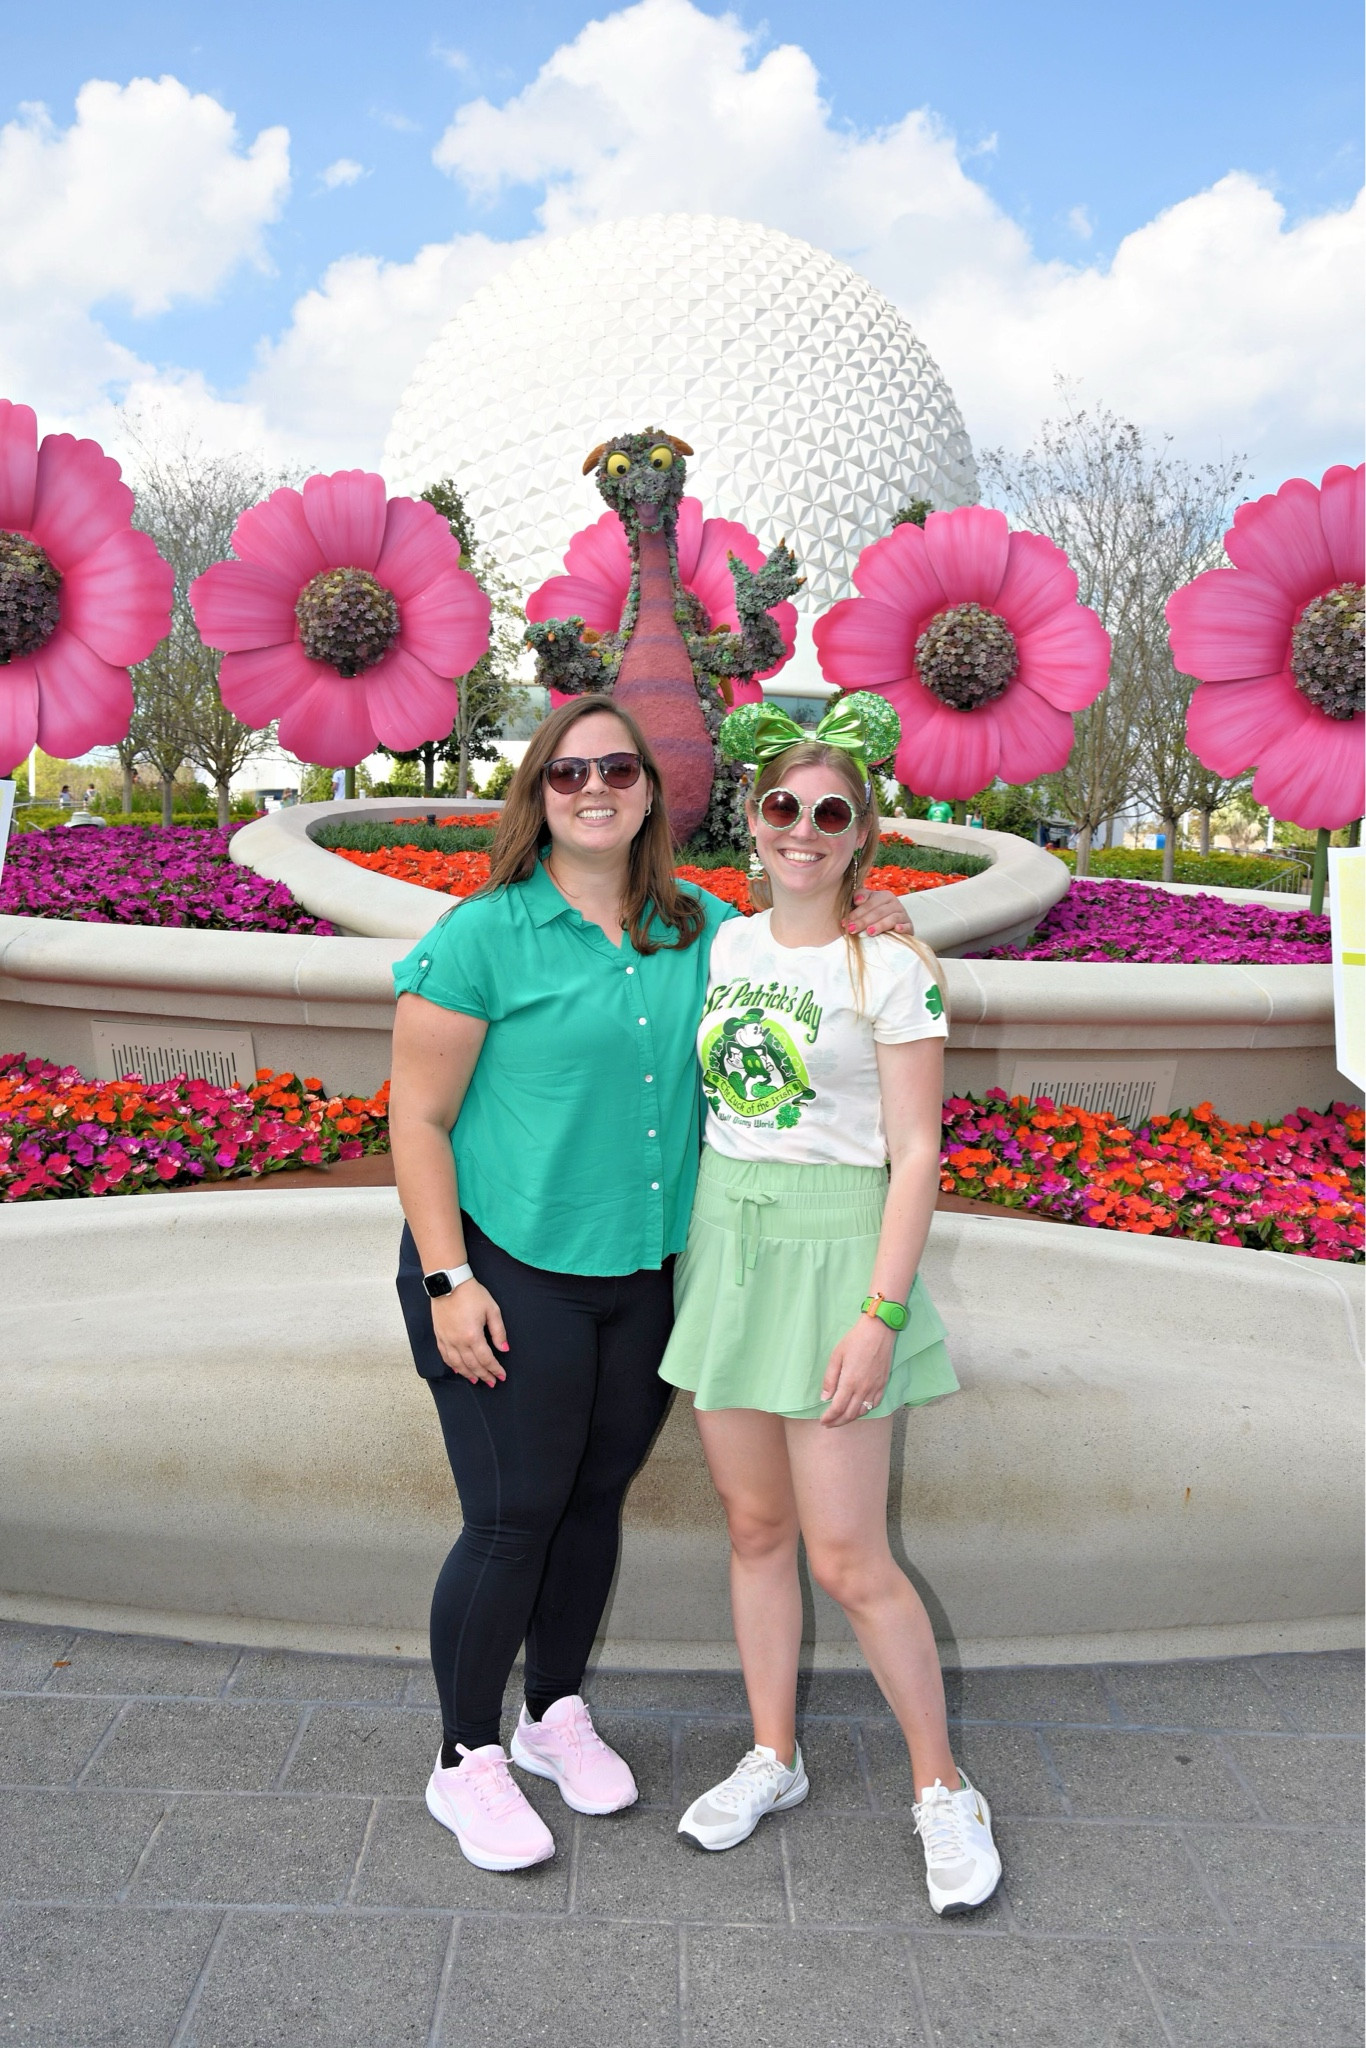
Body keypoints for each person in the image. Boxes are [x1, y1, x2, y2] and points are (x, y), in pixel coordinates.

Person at [387, 693, 916, 1874]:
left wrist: (874, 916)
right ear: (537, 792)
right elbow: (414, 1117)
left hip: (641, 1277)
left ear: (648, 792)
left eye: (617, 769)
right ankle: (464, 1754)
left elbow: (809, 928)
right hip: (501, 1266)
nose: (593, 788)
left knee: (588, 1501)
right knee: (512, 1512)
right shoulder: (482, 935)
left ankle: (551, 1712)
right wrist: (445, 1277)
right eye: (568, 771)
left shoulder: (703, 931)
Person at [661, 697, 1002, 1917]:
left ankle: (939, 1784)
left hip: (836, 1250)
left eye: (829, 813)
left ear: (863, 834)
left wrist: (880, 1311)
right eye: (781, 808)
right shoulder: (718, 944)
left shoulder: (891, 963)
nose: (801, 830)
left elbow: (917, 1153)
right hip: (729, 1245)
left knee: (852, 1557)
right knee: (755, 1528)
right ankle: (775, 1753)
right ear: (751, 823)